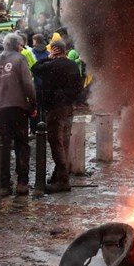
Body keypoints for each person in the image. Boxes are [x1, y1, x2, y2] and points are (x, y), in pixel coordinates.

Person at [0, 32, 36, 195]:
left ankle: (4, 185)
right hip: (18, 108)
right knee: (22, 145)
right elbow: (28, 84)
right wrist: (32, 104)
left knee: (3, 146)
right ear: (18, 45)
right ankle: (22, 182)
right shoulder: (20, 59)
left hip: (0, 109)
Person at [31, 39, 83, 193]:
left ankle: (62, 180)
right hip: (68, 107)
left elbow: (35, 68)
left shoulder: (51, 65)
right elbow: (79, 86)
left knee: (56, 143)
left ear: (55, 50)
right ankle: (59, 174)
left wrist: (49, 57)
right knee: (64, 142)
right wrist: (69, 98)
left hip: (54, 108)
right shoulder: (72, 65)